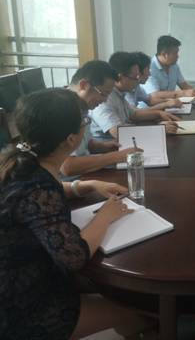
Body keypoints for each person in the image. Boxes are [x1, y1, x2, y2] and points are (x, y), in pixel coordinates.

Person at [0, 88, 154, 339]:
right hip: (22, 306)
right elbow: (74, 257)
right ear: (71, 139)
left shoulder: (20, 160)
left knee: (117, 291)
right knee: (144, 314)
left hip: (29, 274)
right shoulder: (37, 185)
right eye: (84, 121)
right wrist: (105, 215)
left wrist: (84, 186)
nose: (86, 125)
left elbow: (33, 198)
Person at [62, 60, 142, 177]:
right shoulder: (63, 110)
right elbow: (67, 167)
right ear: (83, 85)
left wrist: (102, 146)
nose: (105, 100)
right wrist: (117, 156)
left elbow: (83, 145)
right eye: (103, 94)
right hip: (71, 181)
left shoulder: (82, 107)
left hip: (86, 173)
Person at [90, 51, 180, 138]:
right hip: (107, 142)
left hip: (125, 138)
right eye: (136, 77)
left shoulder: (119, 93)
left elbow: (134, 115)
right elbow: (117, 132)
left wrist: (158, 114)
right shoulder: (105, 98)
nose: (138, 80)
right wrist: (158, 129)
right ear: (120, 78)